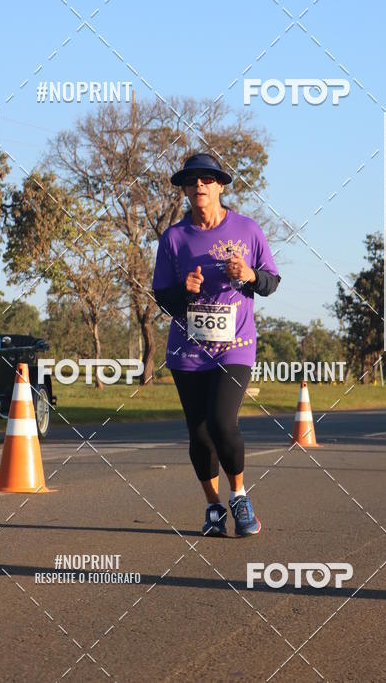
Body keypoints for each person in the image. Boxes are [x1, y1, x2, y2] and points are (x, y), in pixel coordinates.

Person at [152, 153, 281, 536]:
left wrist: (251, 274)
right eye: (192, 181)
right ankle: (213, 506)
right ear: (184, 190)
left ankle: (239, 496)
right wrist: (185, 291)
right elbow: (163, 298)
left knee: (223, 423)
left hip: (235, 347)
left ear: (221, 186)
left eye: (207, 179)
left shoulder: (247, 229)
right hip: (187, 352)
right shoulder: (174, 238)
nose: (199, 186)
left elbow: (272, 282)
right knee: (199, 433)